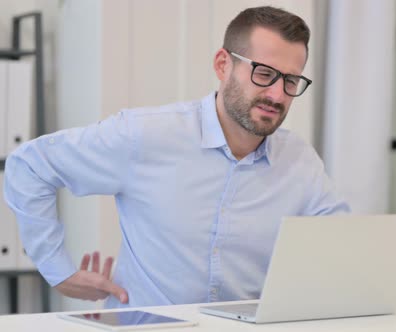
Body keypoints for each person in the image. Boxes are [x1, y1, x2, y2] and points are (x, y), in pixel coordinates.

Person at [3, 6, 349, 309]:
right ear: (222, 65)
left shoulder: (299, 161)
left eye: (291, 80)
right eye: (264, 73)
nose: (277, 94)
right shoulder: (145, 135)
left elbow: (342, 243)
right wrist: (57, 270)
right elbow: (29, 165)